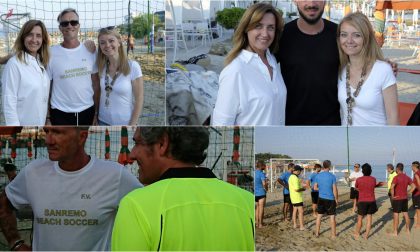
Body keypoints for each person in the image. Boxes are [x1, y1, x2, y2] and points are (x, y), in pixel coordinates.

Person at [111, 127, 254, 250]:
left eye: (137, 143)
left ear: (162, 143)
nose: (131, 154)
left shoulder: (136, 205)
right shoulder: (247, 201)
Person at [0, 127, 142, 250]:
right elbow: (4, 202)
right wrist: (16, 244)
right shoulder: (33, 172)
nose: (48, 140)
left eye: (57, 132)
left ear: (82, 137)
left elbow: (150, 210)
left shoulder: (115, 176)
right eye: (46, 131)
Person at [276, 1, 397, 125]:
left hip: (332, 126)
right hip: (291, 125)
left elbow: (359, 56)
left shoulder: (338, 34)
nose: (311, 3)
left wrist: (382, 65)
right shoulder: (282, 35)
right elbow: (262, 63)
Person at [212, 3, 286, 126]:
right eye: (258, 26)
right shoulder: (235, 71)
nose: (265, 33)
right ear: (246, 28)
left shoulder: (271, 59)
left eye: (270, 27)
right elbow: (221, 124)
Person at [337, 12, 399, 126]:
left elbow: (393, 118)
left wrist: (393, 143)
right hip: (348, 142)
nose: (349, 40)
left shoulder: (383, 70)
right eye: (344, 34)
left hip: (377, 141)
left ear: (367, 38)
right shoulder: (340, 70)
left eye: (357, 35)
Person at [47, 8, 100, 125]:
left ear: (79, 25)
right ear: (60, 28)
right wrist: (48, 117)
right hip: (60, 112)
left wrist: (96, 113)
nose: (69, 26)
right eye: (65, 23)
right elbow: (47, 88)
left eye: (73, 22)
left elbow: (96, 84)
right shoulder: (51, 53)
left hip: (87, 111)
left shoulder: (90, 50)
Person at [1, 20, 50, 125]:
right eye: (30, 35)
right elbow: (9, 102)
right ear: (23, 37)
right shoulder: (14, 64)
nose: (34, 40)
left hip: (39, 127)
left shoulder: (39, 62)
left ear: (43, 39)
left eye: (38, 36)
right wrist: (15, 133)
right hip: (22, 131)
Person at [96, 27, 144, 125]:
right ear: (100, 46)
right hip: (102, 121)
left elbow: (139, 99)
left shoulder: (133, 66)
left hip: (124, 123)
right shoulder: (101, 67)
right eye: (102, 42)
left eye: (111, 41)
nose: (107, 45)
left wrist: (132, 125)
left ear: (119, 42)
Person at [354, 163, 384, 240]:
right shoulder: (373, 179)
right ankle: (366, 236)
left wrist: (360, 189)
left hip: (362, 201)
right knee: (369, 217)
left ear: (362, 171)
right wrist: (379, 185)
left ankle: (357, 233)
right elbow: (373, 186)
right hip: (371, 201)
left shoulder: (359, 179)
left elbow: (356, 188)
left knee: (360, 218)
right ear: (370, 171)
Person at [313, 160, 338, 238]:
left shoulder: (318, 176)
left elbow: (315, 187)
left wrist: (322, 189)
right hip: (330, 199)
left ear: (323, 166)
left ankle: (317, 233)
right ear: (329, 166)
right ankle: (333, 235)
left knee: (319, 216)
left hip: (321, 198)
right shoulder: (332, 176)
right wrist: (336, 199)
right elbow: (334, 189)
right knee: (332, 217)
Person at [389, 162, 415, 236]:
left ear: (397, 169)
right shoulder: (407, 177)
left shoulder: (396, 177)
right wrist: (408, 193)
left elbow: (392, 187)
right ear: (402, 169)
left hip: (397, 199)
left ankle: (395, 232)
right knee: (406, 214)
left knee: (396, 215)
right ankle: (407, 230)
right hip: (405, 198)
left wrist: (393, 196)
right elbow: (414, 186)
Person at [289, 165, 306, 230]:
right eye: (300, 171)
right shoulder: (295, 178)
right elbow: (296, 189)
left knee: (295, 210)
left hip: (293, 197)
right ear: (297, 171)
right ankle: (301, 226)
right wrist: (303, 189)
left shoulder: (291, 176)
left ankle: (295, 224)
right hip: (297, 197)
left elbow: (295, 184)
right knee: (301, 212)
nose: (300, 172)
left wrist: (301, 182)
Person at [255, 160, 268, 228]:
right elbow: (264, 183)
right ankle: (260, 224)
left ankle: (257, 223)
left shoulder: (254, 172)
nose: (265, 166)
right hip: (261, 193)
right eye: (264, 165)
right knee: (261, 208)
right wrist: (266, 188)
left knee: (257, 208)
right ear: (262, 166)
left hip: (255, 193)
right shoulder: (261, 173)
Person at [411, 161, 420, 228]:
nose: (411, 167)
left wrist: (409, 192)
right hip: (417, 194)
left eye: (412, 166)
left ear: (414, 166)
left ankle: (418, 224)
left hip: (417, 194)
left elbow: (419, 184)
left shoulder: (416, 174)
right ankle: (416, 219)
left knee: (418, 210)